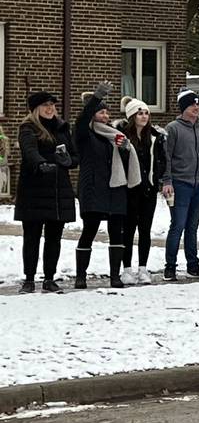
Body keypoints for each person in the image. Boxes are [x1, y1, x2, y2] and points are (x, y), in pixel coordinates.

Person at [73, 84, 140, 288]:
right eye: (101, 112)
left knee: (116, 232)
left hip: (116, 188)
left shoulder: (116, 136)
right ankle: (80, 276)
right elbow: (82, 119)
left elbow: (126, 162)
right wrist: (96, 97)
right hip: (93, 189)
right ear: (93, 114)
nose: (105, 115)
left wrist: (126, 148)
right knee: (89, 230)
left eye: (106, 112)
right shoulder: (85, 133)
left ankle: (115, 276)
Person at [14, 91, 76, 292]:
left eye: (52, 105)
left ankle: (49, 278)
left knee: (54, 237)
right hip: (35, 190)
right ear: (35, 109)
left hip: (58, 191)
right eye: (45, 105)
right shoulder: (28, 128)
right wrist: (41, 164)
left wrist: (70, 161)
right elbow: (29, 151)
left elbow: (74, 155)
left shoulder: (62, 128)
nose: (50, 109)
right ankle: (29, 279)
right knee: (31, 236)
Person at [160, 88, 199, 281]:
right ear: (184, 107)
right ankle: (170, 266)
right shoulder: (172, 129)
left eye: (198, 104)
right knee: (178, 225)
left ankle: (193, 265)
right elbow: (165, 157)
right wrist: (167, 180)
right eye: (193, 104)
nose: (197, 107)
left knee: (193, 227)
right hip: (180, 184)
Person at [117, 97, 167, 283]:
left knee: (145, 229)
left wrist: (158, 179)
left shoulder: (155, 137)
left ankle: (143, 268)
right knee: (128, 229)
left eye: (146, 113)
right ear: (132, 116)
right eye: (139, 113)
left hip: (148, 189)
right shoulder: (122, 137)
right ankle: (127, 268)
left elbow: (161, 160)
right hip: (129, 188)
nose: (144, 116)